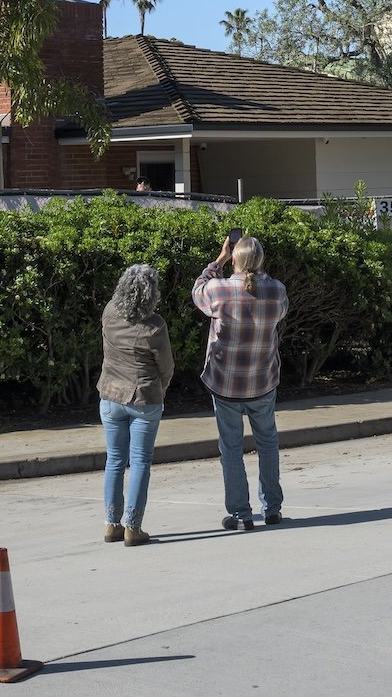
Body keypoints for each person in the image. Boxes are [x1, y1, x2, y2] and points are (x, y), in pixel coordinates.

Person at [192, 232, 288, 531]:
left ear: (234, 258)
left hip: (226, 383)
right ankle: (272, 508)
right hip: (263, 381)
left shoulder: (219, 290)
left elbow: (197, 291)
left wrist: (217, 261)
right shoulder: (276, 290)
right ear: (261, 260)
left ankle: (240, 514)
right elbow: (280, 309)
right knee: (268, 443)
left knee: (231, 448)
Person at [98, 262, 174, 546]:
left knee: (114, 461)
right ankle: (133, 526)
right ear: (151, 293)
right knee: (140, 462)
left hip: (110, 395)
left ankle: (111, 523)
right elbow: (166, 367)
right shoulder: (154, 327)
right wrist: (160, 389)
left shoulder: (109, 312)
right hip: (144, 397)